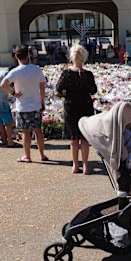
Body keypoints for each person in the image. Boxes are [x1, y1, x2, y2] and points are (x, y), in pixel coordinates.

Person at [0, 46, 47, 163]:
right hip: (36, 104)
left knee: (25, 132)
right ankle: (42, 154)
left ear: (16, 56)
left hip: (23, 106)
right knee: (38, 130)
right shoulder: (37, 69)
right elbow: (42, 86)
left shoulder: (15, 71)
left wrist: (13, 93)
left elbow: (3, 84)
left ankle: (27, 156)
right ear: (28, 55)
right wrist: (42, 101)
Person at [56, 45, 97, 174]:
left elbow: (58, 88)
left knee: (74, 138)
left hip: (71, 106)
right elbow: (93, 91)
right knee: (85, 137)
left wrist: (65, 95)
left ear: (71, 57)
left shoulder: (66, 74)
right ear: (84, 57)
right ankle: (86, 166)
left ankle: (75, 165)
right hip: (85, 105)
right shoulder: (88, 74)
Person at [0, 67, 18, 147]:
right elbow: (6, 85)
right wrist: (13, 93)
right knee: (8, 123)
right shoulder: (7, 75)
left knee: (0, 122)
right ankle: (10, 142)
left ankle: (4, 140)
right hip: (1, 101)